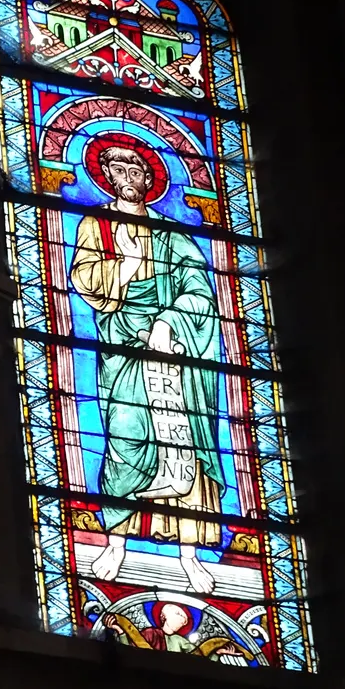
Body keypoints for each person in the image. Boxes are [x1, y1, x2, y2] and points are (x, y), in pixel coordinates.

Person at [70, 142, 224, 593]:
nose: (129, 175)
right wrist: (126, 269)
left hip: (174, 354)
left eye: (136, 167)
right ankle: (115, 544)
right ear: (108, 176)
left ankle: (190, 556)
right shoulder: (95, 226)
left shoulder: (173, 236)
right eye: (119, 168)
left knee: (187, 448)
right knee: (125, 442)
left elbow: (199, 291)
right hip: (122, 350)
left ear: (149, 177)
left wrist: (169, 321)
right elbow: (84, 279)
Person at [104, 603, 244, 658]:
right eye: (178, 615)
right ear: (164, 616)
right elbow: (131, 651)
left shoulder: (180, 641)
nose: (183, 620)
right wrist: (120, 631)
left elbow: (196, 660)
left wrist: (217, 653)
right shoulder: (150, 633)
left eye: (184, 619)